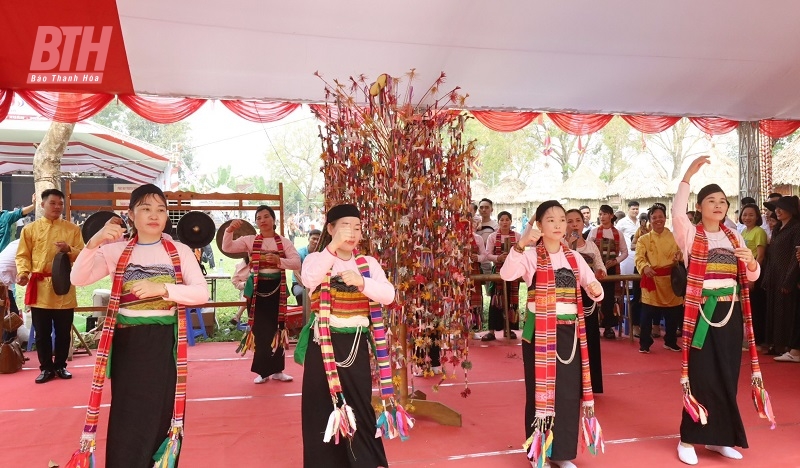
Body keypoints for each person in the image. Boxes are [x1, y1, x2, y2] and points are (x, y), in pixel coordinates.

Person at [70, 184, 209, 467]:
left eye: (160, 209)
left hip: (163, 343)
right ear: (131, 215)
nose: (153, 215)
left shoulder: (180, 251)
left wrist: (162, 290)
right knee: (128, 414)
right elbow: (78, 279)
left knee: (160, 413)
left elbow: (200, 293)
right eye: (145, 208)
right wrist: (92, 244)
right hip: (128, 343)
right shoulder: (116, 251)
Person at [672, 156, 772, 465]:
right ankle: (688, 439)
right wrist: (688, 175)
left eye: (723, 202)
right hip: (702, 315)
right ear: (699, 206)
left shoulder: (734, 236)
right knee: (702, 377)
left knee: (728, 376)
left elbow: (751, 275)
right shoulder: (690, 234)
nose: (718, 205)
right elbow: (677, 211)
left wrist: (752, 262)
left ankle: (720, 438)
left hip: (731, 315)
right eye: (711, 201)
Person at [500, 200, 604, 468]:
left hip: (569, 333)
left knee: (568, 393)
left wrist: (594, 290)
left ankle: (562, 454)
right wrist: (521, 243)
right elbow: (507, 273)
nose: (558, 225)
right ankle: (540, 452)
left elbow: (592, 283)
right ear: (539, 225)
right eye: (550, 220)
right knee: (540, 392)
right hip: (540, 335)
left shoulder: (573, 257)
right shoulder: (531, 255)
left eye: (562, 219)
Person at [295, 203, 398, 468]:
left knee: (359, 408)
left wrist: (362, 282)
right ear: (330, 229)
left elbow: (388, 295)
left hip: (355, 346)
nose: (351, 233)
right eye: (344, 227)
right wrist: (331, 249)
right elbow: (309, 279)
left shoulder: (368, 264)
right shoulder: (317, 259)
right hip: (323, 347)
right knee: (321, 409)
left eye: (357, 227)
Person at [222, 205, 301, 383]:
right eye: (259, 218)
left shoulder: (284, 242)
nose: (263, 220)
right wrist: (229, 230)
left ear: (273, 220)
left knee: (278, 328)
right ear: (256, 222)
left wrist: (279, 261)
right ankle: (263, 371)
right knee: (260, 330)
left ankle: (278, 370)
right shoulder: (249, 240)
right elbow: (227, 247)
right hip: (257, 290)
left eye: (266, 216)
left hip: (277, 289)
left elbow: (296, 262)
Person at [15, 189, 84, 384]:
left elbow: (84, 253)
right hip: (40, 288)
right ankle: (46, 368)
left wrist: (69, 249)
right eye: (53, 203)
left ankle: (61, 366)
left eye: (60, 204)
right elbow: (23, 256)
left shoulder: (73, 229)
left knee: (63, 331)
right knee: (42, 332)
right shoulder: (30, 230)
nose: (57, 207)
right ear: (42, 205)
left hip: (63, 286)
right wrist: (23, 273)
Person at [565, 208, 605, 394]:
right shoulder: (560, 246)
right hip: (567, 298)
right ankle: (570, 385)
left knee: (589, 339)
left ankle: (591, 384)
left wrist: (600, 273)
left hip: (588, 299)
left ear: (583, 223)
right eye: (570, 221)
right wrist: (569, 247)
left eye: (577, 221)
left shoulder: (591, 246)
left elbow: (600, 267)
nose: (574, 225)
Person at [635, 203, 684, 354]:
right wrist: (644, 267)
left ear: (665, 218)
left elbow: (682, 253)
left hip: (671, 281)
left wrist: (679, 256)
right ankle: (645, 343)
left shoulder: (675, 237)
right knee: (646, 315)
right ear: (650, 219)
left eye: (660, 217)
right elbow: (639, 257)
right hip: (653, 280)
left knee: (673, 314)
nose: (658, 220)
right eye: (654, 217)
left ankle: (670, 341)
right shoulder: (643, 239)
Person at [761, 195, 800, 357]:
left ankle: (786, 345)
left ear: (791, 211)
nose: (777, 211)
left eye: (780, 208)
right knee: (774, 311)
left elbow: (796, 257)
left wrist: (789, 280)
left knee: (786, 312)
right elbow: (771, 256)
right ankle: (774, 344)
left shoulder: (796, 228)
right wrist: (767, 278)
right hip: (774, 276)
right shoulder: (776, 229)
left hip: (787, 276)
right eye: (775, 208)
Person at [588, 205, 628, 339]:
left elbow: (625, 252)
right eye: (600, 214)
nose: (602, 217)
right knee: (593, 296)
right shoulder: (593, 232)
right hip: (596, 270)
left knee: (609, 299)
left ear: (611, 215)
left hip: (612, 270)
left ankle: (609, 327)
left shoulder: (618, 233)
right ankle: (594, 326)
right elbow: (587, 250)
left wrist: (615, 261)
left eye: (605, 214)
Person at [483, 211, 520, 340]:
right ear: (498, 222)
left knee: (511, 302)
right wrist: (499, 257)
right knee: (495, 302)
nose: (505, 222)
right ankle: (492, 332)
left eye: (507, 219)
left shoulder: (518, 236)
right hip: (498, 272)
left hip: (514, 272)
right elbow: (487, 254)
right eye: (502, 220)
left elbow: (522, 253)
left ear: (511, 221)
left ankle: (508, 330)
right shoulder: (492, 237)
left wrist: (512, 257)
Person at [739, 203, 768, 347]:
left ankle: (758, 340)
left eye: (751, 215)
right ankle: (750, 338)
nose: (747, 218)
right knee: (746, 308)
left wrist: (753, 277)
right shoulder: (743, 232)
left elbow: (760, 256)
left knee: (755, 308)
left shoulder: (759, 232)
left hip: (755, 274)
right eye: (744, 214)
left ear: (757, 216)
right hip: (743, 274)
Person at [291, 229, 321, 306]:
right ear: (308, 239)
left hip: (315, 284)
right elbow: (296, 274)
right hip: (299, 283)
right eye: (313, 239)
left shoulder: (322, 254)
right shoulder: (300, 253)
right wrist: (308, 288)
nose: (316, 241)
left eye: (318, 239)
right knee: (302, 294)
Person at [229, 255, 251, 326]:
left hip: (260, 289)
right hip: (245, 289)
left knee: (248, 291)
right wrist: (244, 284)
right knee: (247, 292)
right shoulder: (240, 266)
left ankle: (237, 315)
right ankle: (238, 316)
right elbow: (235, 281)